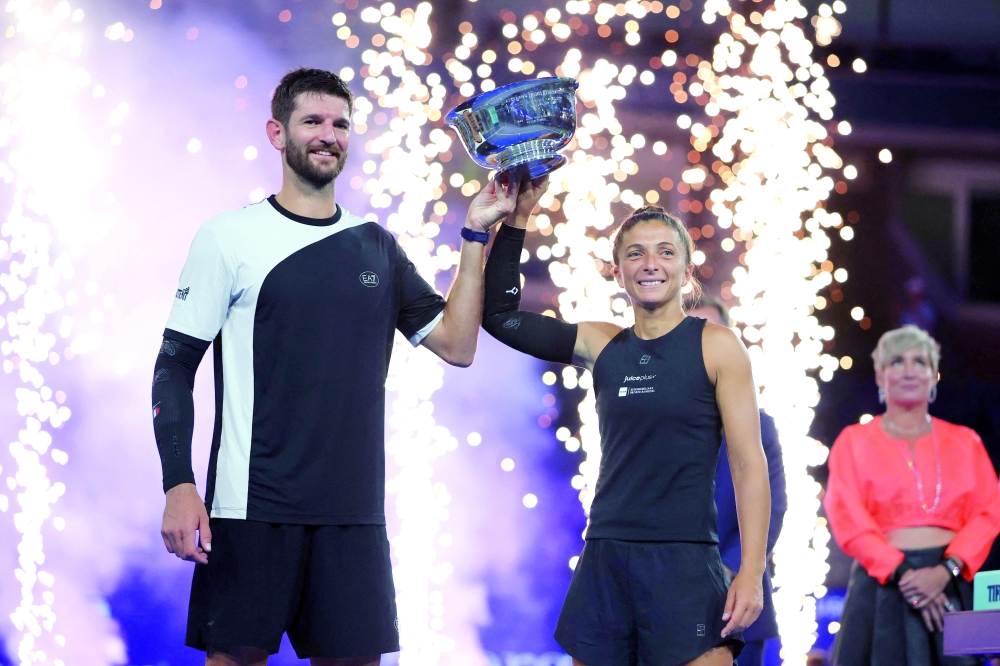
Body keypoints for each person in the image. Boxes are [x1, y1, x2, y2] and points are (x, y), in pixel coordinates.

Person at [151, 68, 527, 666]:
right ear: (277, 133)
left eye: (340, 124)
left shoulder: (375, 245)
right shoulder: (228, 237)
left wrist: (477, 234)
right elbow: (173, 368)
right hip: (252, 507)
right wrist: (179, 484)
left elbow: (458, 344)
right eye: (313, 122)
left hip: (353, 513)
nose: (328, 135)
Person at [482, 203, 771, 666]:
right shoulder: (602, 343)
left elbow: (748, 464)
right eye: (635, 254)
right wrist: (517, 219)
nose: (650, 263)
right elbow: (498, 317)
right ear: (618, 273)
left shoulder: (717, 345)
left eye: (665, 252)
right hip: (607, 558)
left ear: (686, 265)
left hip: (685, 559)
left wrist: (752, 572)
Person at [825, 325, 1000, 666]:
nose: (908, 370)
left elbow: (989, 512)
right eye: (896, 361)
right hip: (882, 584)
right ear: (879, 376)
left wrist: (945, 570)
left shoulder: (966, 441)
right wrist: (903, 573)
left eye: (920, 361)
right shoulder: (853, 441)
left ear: (934, 376)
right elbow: (847, 515)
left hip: (954, 579)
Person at [687, 295, 787, 666]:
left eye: (712, 333)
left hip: (735, 597)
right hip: (660, 594)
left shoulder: (759, 425)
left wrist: (733, 568)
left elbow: (772, 507)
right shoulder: (652, 417)